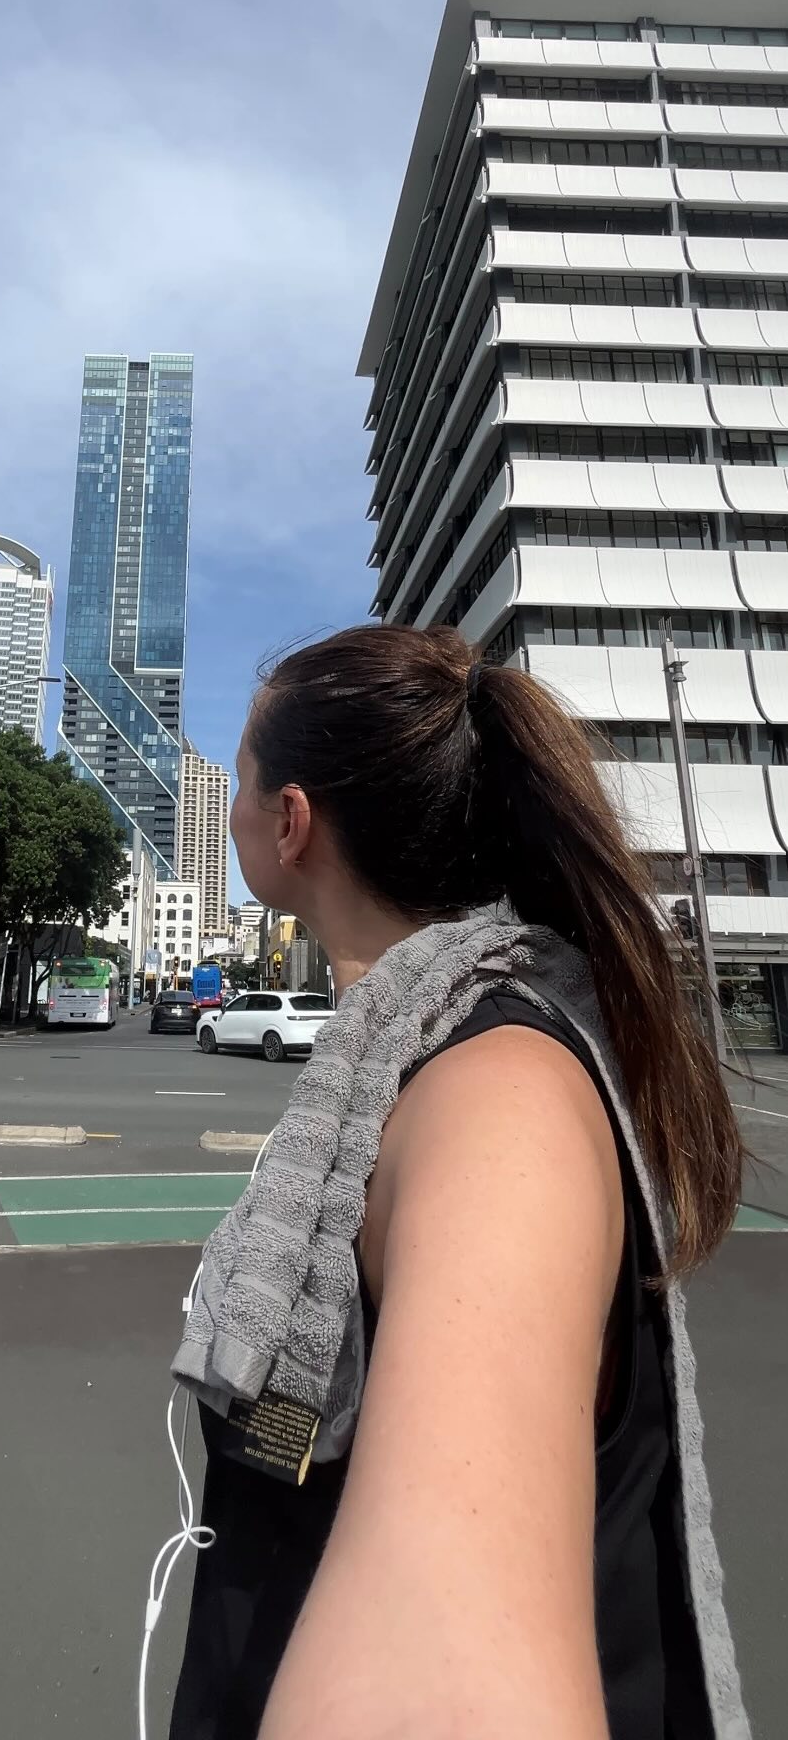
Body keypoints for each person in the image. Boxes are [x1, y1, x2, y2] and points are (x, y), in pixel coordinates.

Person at [168, 625, 747, 1740]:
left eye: (238, 774)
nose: (234, 799)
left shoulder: (494, 1099)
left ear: (287, 822)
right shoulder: (417, 1068)